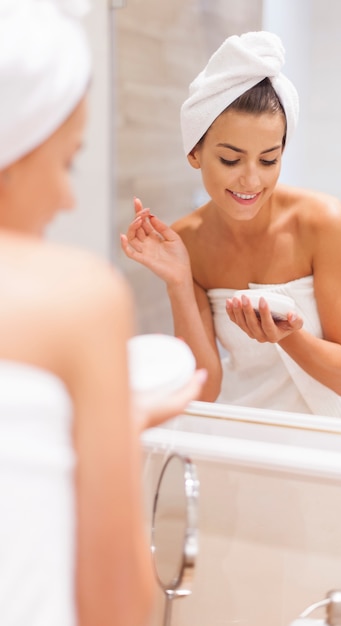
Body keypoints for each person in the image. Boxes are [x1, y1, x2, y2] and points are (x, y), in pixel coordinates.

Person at [0, 2, 206, 626]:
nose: (68, 198)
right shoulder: (76, 297)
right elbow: (116, 605)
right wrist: (112, 428)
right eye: (66, 162)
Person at [121, 31, 341, 421]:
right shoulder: (188, 240)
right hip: (252, 428)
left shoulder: (324, 222)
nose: (251, 181)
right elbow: (204, 390)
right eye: (230, 160)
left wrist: (287, 336)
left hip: (338, 431)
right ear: (195, 152)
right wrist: (178, 281)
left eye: (268, 160)